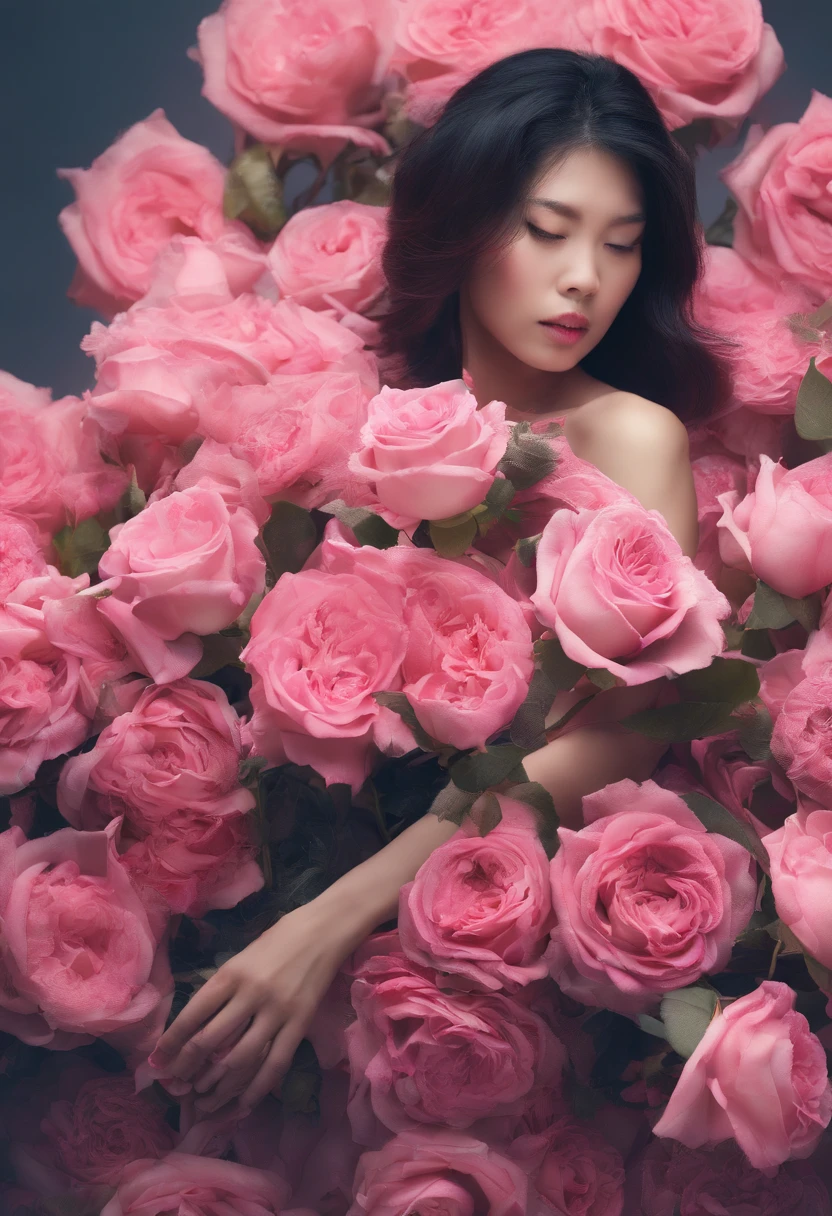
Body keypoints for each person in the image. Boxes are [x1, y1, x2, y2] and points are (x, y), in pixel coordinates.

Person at [149, 47, 735, 1121]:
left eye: (620, 245)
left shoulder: (628, 434)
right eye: (547, 231)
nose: (583, 280)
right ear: (463, 224)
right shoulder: (353, 415)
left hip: (495, 942)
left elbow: (627, 728)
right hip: (293, 894)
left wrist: (330, 920)